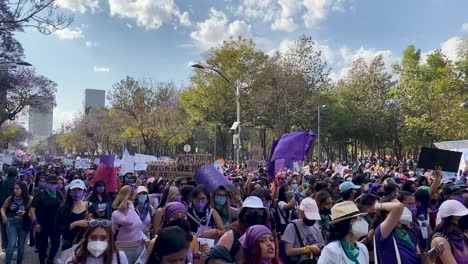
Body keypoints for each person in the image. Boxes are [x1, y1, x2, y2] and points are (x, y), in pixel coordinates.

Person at [216, 196, 270, 262]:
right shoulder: (231, 236)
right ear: (243, 215)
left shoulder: (266, 237)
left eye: (259, 211)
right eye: (251, 211)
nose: (256, 214)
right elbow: (213, 260)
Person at [30, 175, 64, 264]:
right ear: (47, 184)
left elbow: (63, 207)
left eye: (55, 183)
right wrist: (35, 222)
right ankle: (42, 261)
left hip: (56, 225)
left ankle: (50, 259)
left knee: (56, 244)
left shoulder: (59, 194)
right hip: (42, 225)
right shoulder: (40, 195)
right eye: (51, 183)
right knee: (42, 247)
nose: (53, 185)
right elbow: (32, 208)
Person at [111, 185, 148, 264]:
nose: (135, 200)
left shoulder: (134, 211)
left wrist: (145, 238)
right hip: (124, 249)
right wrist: (130, 205)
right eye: (133, 198)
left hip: (139, 248)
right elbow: (128, 221)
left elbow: (138, 229)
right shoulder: (116, 213)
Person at [282, 197, 325, 263]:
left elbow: (321, 245)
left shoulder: (315, 227)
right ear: (301, 213)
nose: (311, 220)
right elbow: (288, 251)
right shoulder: (292, 226)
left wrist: (318, 250)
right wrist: (307, 249)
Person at [1, 181, 32, 264]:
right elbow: (2, 208)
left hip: (24, 224)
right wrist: (4, 215)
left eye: (17, 188)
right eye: (14, 188)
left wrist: (26, 214)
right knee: (11, 243)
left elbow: (33, 211)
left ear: (23, 189)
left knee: (21, 246)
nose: (15, 190)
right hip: (12, 222)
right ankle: (7, 262)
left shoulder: (29, 199)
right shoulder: (10, 198)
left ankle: (19, 262)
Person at [57, 179, 91, 252]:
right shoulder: (63, 208)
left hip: (85, 242)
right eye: (74, 190)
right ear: (69, 192)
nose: (77, 193)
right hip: (68, 244)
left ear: (84, 192)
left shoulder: (89, 206)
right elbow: (58, 229)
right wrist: (75, 224)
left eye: (79, 190)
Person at [0, 167, 18, 250]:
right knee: (13, 226)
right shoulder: (17, 183)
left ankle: (4, 245)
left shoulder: (2, 182)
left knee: (3, 225)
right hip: (13, 207)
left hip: (2, 206)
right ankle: (12, 244)